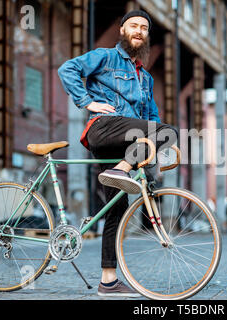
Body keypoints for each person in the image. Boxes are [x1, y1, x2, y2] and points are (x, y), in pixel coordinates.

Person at [58, 10, 178, 297]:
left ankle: (108, 281)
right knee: (169, 130)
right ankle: (121, 169)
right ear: (123, 30)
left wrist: (165, 144)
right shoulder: (105, 57)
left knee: (117, 210)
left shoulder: (146, 79)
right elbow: (67, 69)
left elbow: (152, 119)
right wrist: (87, 101)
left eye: (144, 28)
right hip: (104, 129)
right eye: (134, 26)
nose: (139, 31)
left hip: (127, 144)